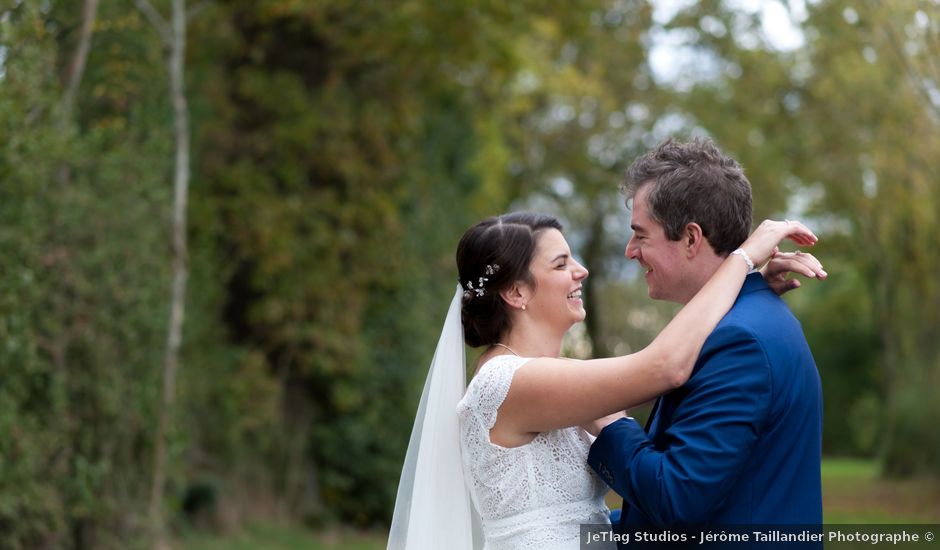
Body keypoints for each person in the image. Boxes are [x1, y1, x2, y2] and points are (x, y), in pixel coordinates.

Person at [387, 205, 824, 549]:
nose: (582, 270)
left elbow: (580, 513)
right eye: (560, 265)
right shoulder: (507, 383)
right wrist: (742, 261)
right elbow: (664, 366)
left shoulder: (552, 378)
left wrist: (746, 286)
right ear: (517, 292)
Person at [586, 138, 825, 541]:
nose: (630, 251)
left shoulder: (739, 342)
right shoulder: (740, 321)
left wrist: (610, 424)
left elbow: (677, 500)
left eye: (641, 236)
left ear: (692, 238)